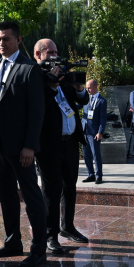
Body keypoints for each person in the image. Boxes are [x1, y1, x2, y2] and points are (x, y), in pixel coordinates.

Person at [0, 20, 48, 267]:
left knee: (31, 196)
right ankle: (13, 241)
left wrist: (30, 146)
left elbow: (37, 112)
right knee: (6, 195)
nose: (1, 43)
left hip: (21, 147)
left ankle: (39, 250)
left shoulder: (29, 69)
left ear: (18, 40)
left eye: (6, 39)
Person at [33, 39, 90, 253]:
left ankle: (68, 227)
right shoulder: (35, 76)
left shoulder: (63, 76)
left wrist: (79, 87)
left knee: (70, 187)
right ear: (38, 55)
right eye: (50, 52)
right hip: (49, 144)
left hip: (70, 142)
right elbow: (39, 105)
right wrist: (51, 83)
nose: (56, 55)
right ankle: (50, 234)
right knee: (51, 191)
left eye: (57, 51)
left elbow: (81, 100)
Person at [82, 79, 106, 184]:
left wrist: (100, 132)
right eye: (86, 87)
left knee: (96, 154)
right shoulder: (86, 98)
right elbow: (77, 107)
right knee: (86, 155)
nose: (87, 89)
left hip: (94, 132)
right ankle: (90, 174)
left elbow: (103, 118)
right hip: (85, 131)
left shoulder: (102, 101)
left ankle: (98, 176)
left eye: (89, 87)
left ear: (96, 87)